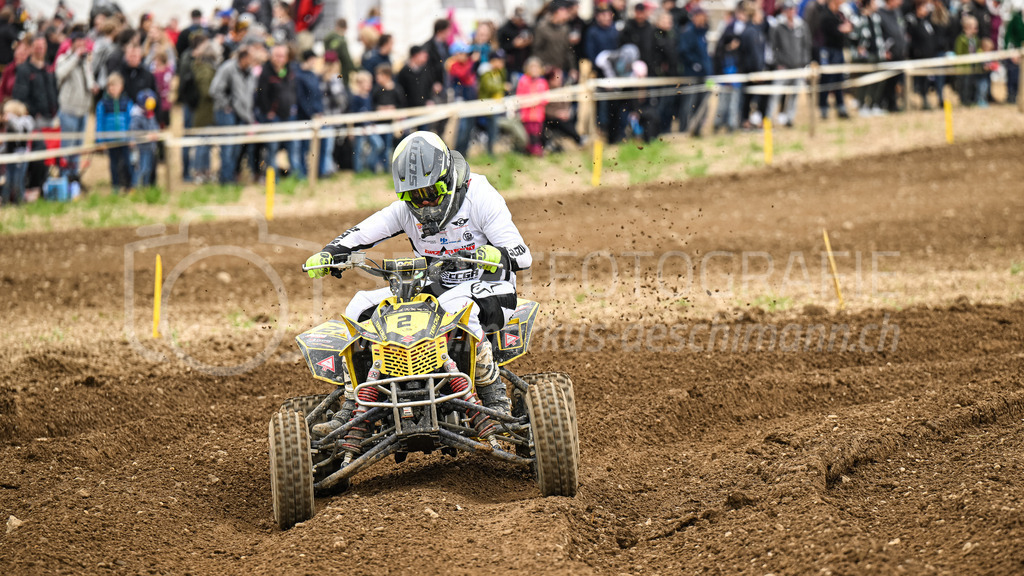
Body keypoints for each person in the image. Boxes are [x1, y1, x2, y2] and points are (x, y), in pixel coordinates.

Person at [304, 130, 532, 445]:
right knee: (359, 305)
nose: (424, 204)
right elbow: (362, 232)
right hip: (435, 293)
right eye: (414, 197)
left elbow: (523, 255)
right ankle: (353, 404)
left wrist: (497, 254)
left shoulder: (480, 196)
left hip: (490, 288)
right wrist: (329, 253)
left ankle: (494, 399)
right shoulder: (405, 211)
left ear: (449, 180)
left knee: (459, 308)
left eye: (432, 193)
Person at [210, 45, 255, 183]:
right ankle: (225, 179)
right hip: (226, 113)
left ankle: (232, 176)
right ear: (243, 57)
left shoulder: (250, 72)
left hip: (242, 113)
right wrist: (227, 104)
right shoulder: (228, 69)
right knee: (228, 147)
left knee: (236, 148)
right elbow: (214, 90)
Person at [55, 29, 95, 181]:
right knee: (67, 147)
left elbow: (89, 78)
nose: (82, 47)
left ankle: (74, 178)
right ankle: (64, 178)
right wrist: (75, 58)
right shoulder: (64, 59)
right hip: (68, 110)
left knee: (78, 148)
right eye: (79, 44)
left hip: (83, 110)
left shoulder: (85, 61)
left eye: (84, 44)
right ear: (72, 44)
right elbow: (60, 74)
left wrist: (93, 86)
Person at [95, 72, 133, 193]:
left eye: (115, 86)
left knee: (127, 163)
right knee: (113, 165)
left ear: (121, 87)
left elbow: (131, 122)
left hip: (124, 140)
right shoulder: (103, 104)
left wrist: (132, 138)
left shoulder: (127, 102)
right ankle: (115, 186)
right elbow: (99, 123)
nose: (113, 89)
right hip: (111, 141)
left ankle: (130, 185)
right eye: (110, 86)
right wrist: (100, 141)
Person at [677, 7, 712, 134]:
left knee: (703, 103)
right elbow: (683, 51)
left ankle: (697, 129)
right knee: (688, 102)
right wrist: (694, 64)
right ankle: (684, 129)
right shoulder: (688, 32)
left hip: (705, 74)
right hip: (691, 74)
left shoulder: (703, 33)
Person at [1, 99, 34, 206]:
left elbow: (18, 128)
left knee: (18, 181)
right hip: (10, 157)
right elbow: (7, 143)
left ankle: (19, 202)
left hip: (21, 157)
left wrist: (10, 118)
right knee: (7, 181)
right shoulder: (9, 124)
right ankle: (5, 202)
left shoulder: (26, 120)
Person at [516, 56, 549, 156]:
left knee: (537, 133)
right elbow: (519, 96)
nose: (534, 70)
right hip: (526, 114)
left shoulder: (543, 82)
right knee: (528, 134)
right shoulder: (523, 80)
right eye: (532, 67)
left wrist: (538, 101)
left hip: (538, 114)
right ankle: (530, 151)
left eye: (536, 67)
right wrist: (530, 101)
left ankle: (536, 150)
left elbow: (546, 98)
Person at [129, 89, 160, 188]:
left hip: (150, 147)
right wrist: (146, 136)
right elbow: (134, 132)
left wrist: (155, 133)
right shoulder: (136, 116)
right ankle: (136, 187)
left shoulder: (150, 114)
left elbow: (155, 126)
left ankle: (146, 187)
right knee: (140, 168)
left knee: (148, 169)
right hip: (141, 148)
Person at [323, 18, 356, 86]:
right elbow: (346, 58)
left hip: (328, 68)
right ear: (346, 28)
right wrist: (354, 69)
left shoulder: (328, 38)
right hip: (340, 71)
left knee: (331, 81)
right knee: (341, 81)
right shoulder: (341, 41)